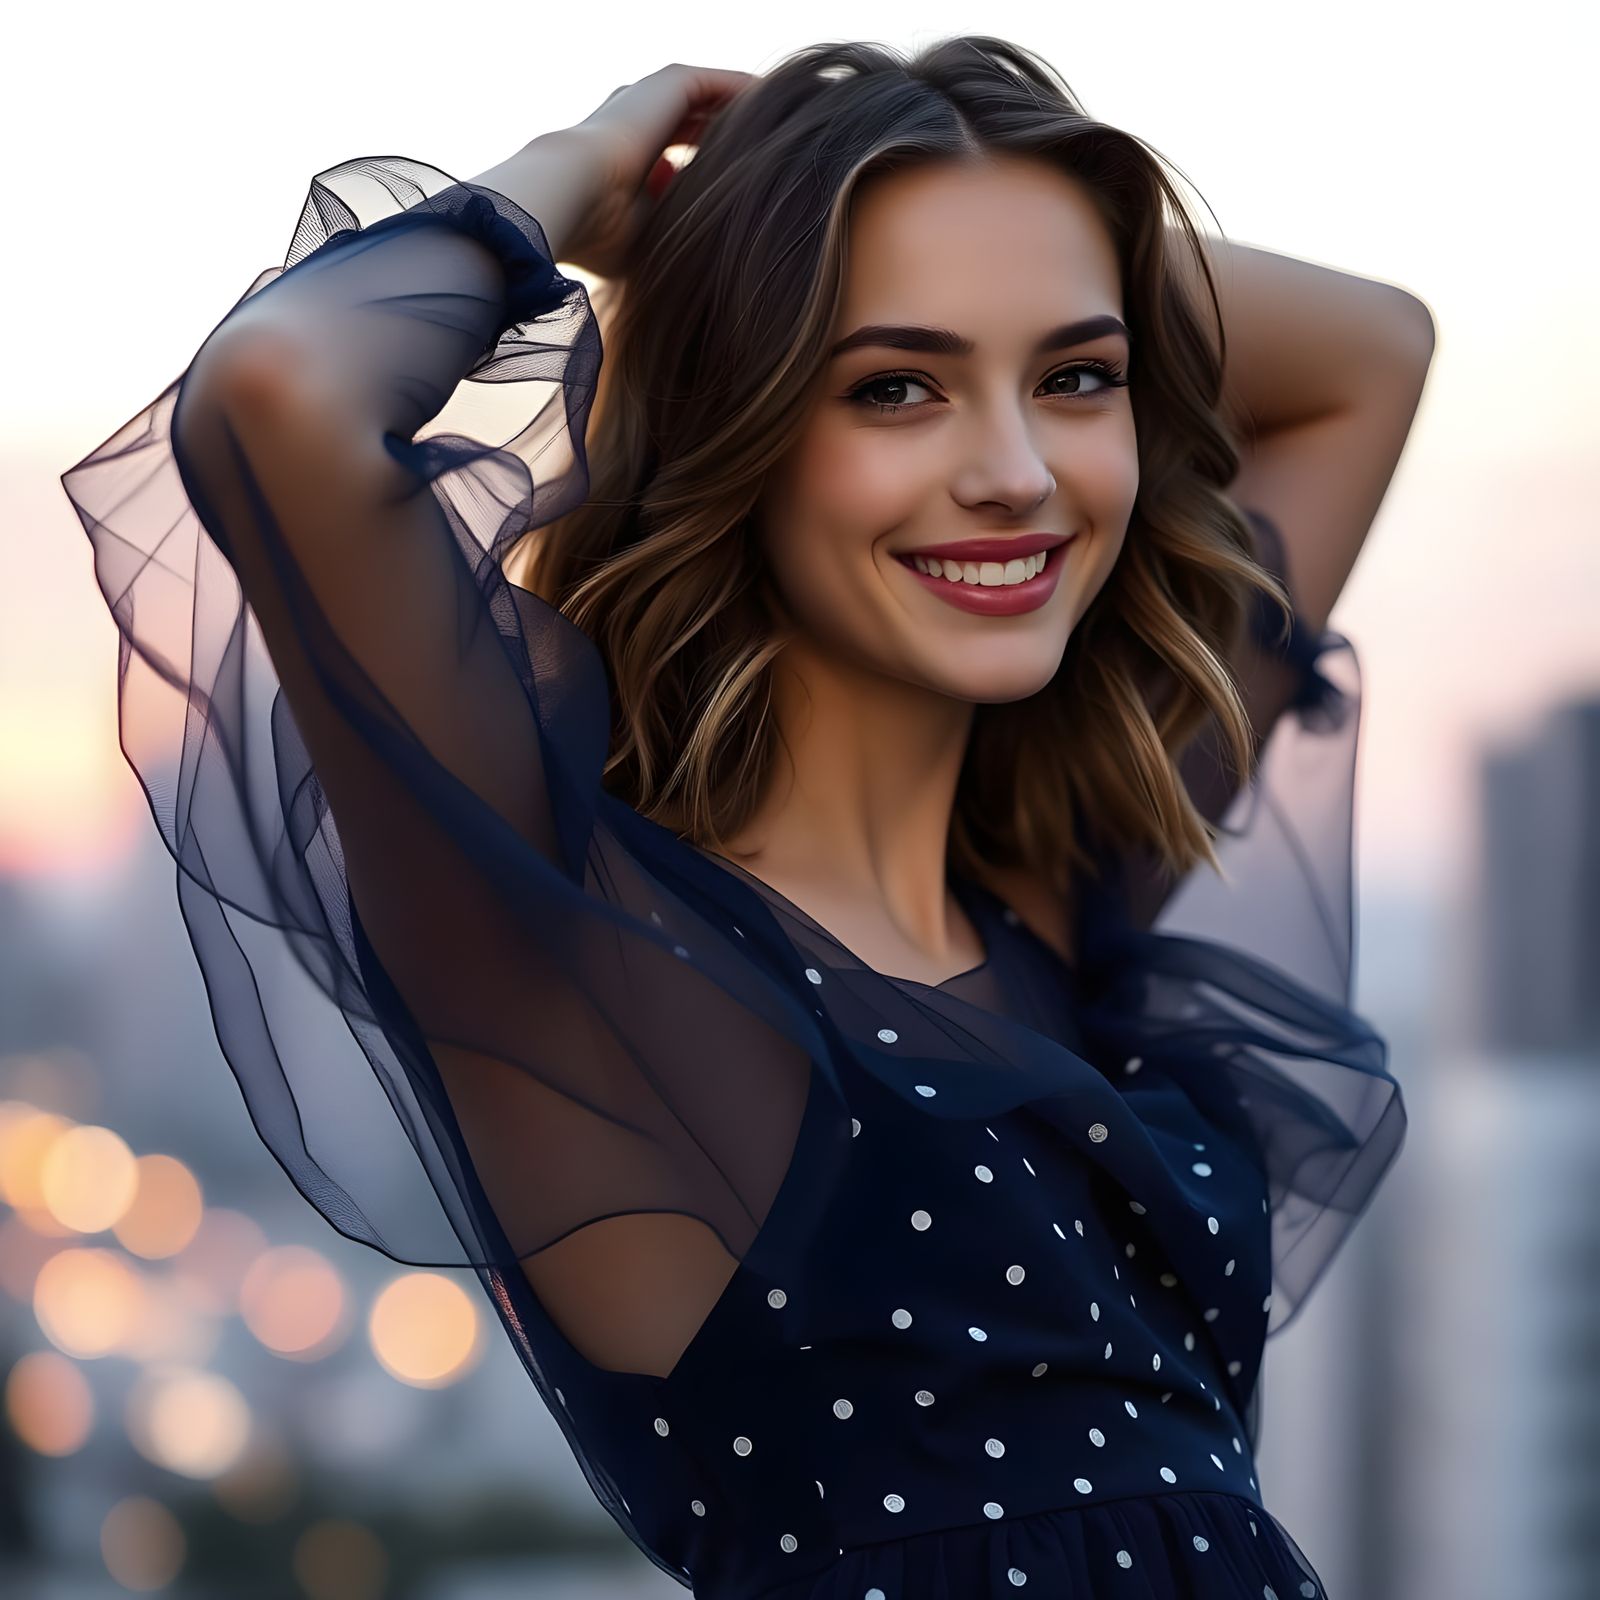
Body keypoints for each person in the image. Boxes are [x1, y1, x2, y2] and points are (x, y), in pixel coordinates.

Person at [60, 35, 1426, 1600]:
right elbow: (278, 396)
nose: (1017, 471)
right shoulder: (601, 973)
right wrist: (607, 178)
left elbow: (1369, 353)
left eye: (1077, 378)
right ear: (744, 422)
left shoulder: (1053, 888)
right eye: (895, 385)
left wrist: (899, 223)